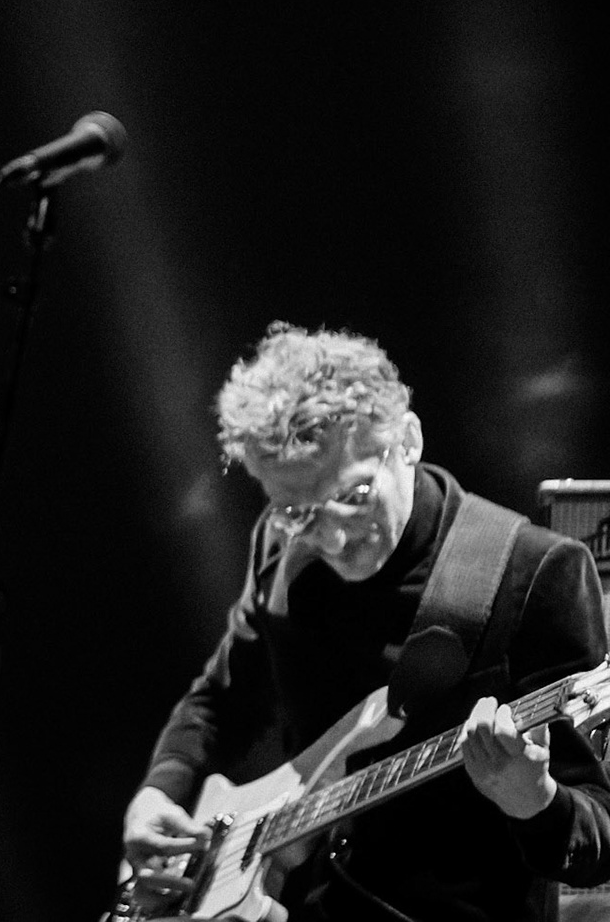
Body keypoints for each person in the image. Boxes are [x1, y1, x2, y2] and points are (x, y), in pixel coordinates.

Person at [120, 322, 610, 921]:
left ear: (407, 439)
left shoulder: (535, 571)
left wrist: (535, 802)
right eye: (298, 510)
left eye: (353, 495)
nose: (334, 537)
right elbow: (220, 700)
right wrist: (157, 792)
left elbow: (598, 842)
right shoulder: (279, 552)